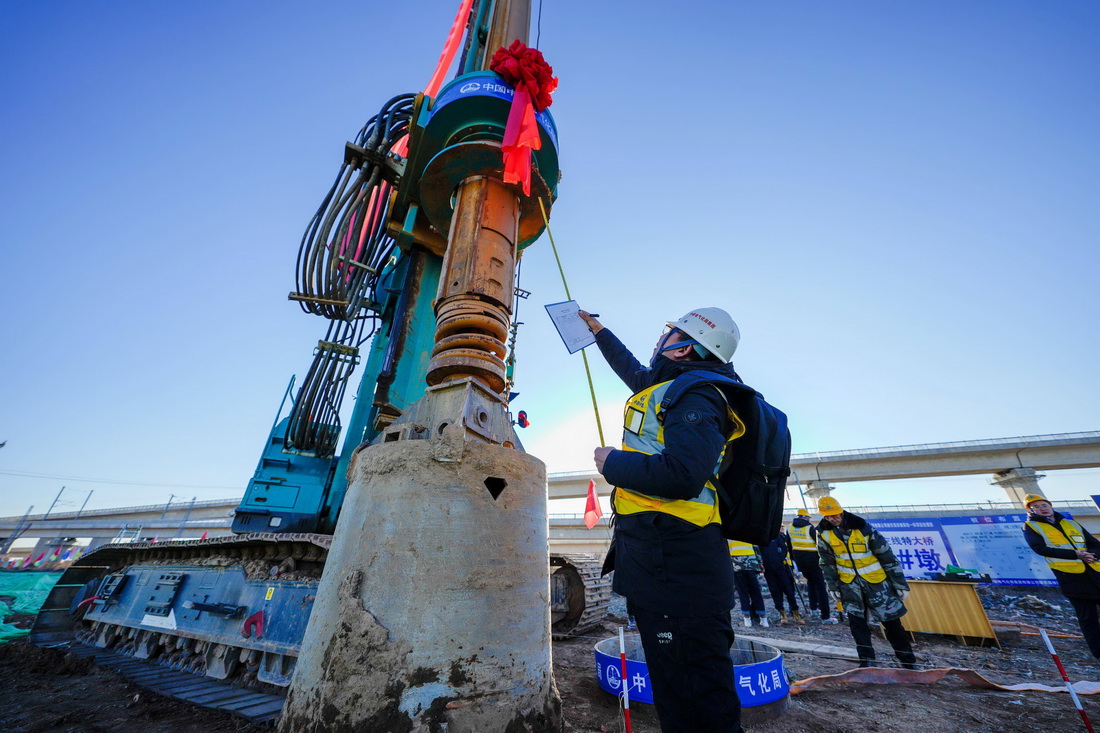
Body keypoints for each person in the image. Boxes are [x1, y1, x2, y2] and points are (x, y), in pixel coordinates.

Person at [581, 307, 744, 733]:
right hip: (662, 559)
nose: (659, 339)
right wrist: (599, 331)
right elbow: (632, 369)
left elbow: (683, 475)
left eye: (668, 333)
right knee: (677, 688)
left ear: (685, 346)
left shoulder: (698, 394)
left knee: (698, 696)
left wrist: (612, 463)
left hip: (678, 562)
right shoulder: (669, 387)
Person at [816, 496, 917, 669]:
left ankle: (908, 661)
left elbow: (886, 556)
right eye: (827, 516)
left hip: (877, 584)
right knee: (857, 625)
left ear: (841, 510)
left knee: (892, 622)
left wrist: (899, 583)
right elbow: (826, 562)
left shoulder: (862, 527)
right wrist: (833, 586)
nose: (832, 519)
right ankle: (867, 661)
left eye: (834, 515)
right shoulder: (823, 533)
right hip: (849, 586)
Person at [1022, 494, 1100, 661]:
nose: (1042, 508)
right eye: (1036, 507)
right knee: (1088, 618)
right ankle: (1099, 653)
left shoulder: (1070, 523)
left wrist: (1091, 555)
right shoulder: (1031, 526)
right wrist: (1075, 555)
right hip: (1072, 578)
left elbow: (1094, 543)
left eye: (1044, 505)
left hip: (1095, 573)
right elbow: (1040, 548)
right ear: (1031, 511)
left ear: (1051, 506)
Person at [789, 508, 836, 624]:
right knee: (821, 586)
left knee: (810, 583)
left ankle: (813, 608)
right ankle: (826, 616)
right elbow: (819, 544)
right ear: (806, 518)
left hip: (800, 561)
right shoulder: (809, 528)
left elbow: (789, 547)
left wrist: (795, 561)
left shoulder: (789, 528)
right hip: (813, 561)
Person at [760, 530, 803, 624]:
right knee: (775, 592)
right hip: (769, 570)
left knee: (789, 591)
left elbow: (784, 549)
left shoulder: (777, 536)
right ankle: (782, 614)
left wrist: (780, 560)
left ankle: (796, 613)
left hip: (782, 569)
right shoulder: (761, 538)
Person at [729, 540, 768, 628]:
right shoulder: (748, 530)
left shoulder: (728, 531)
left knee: (743, 593)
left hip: (736, 565)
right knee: (756, 592)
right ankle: (763, 618)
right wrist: (760, 563)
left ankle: (747, 619)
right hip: (751, 564)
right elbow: (756, 547)